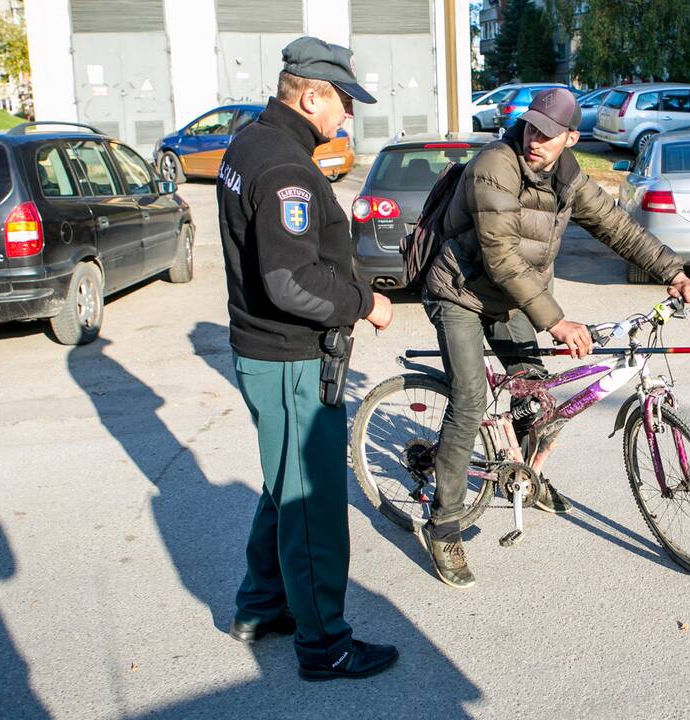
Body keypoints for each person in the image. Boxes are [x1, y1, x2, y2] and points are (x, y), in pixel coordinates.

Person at [420, 88, 690, 588]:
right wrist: (556, 321)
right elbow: (501, 255)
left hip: (512, 299)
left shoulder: (569, 174)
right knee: (468, 399)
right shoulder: (496, 165)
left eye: (549, 135)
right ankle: (444, 526)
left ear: (571, 137)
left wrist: (674, 272)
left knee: (536, 397)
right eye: (531, 128)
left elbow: (617, 226)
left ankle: (525, 477)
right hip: (461, 293)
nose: (535, 141)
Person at [217, 36, 398, 680]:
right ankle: (326, 644)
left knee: (282, 485)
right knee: (311, 503)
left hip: (264, 352)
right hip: (291, 359)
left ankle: (262, 606)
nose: (348, 117)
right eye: (344, 103)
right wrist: (363, 303)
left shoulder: (252, 141)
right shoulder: (286, 167)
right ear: (312, 94)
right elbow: (291, 282)